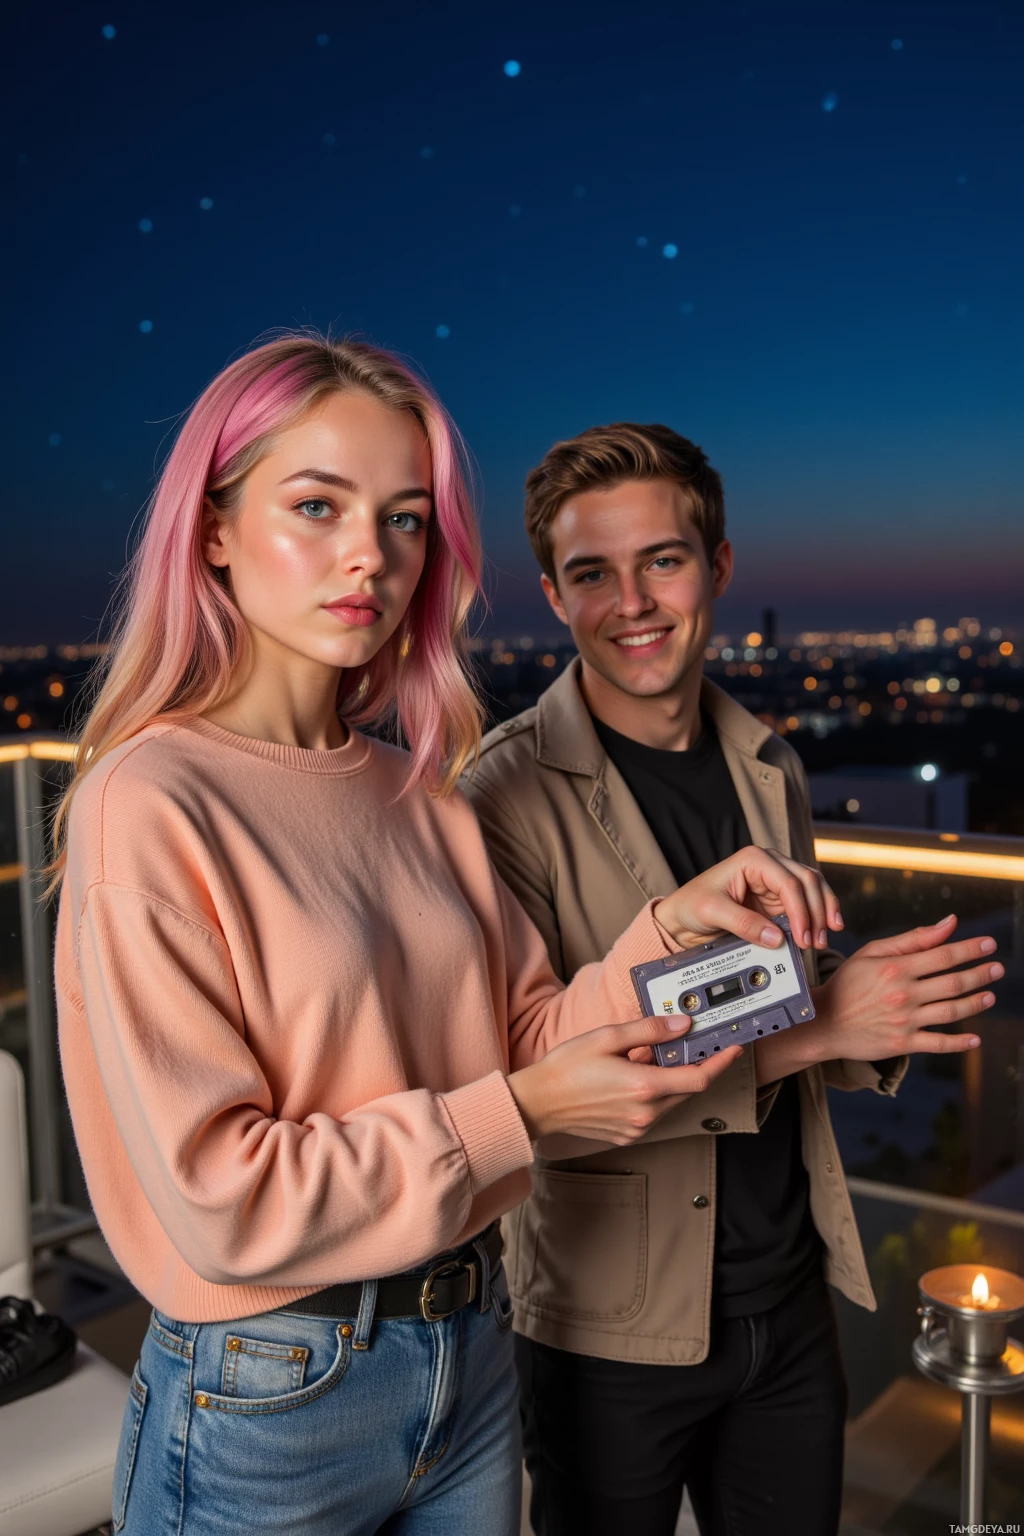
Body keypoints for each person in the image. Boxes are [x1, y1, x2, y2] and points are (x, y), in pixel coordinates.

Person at [51, 343, 841, 1536]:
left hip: (467, 1352)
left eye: (405, 520)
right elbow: (225, 1199)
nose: (371, 555)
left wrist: (662, 930)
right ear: (212, 530)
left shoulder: (417, 788)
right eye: (315, 506)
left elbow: (525, 1030)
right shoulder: (150, 801)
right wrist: (515, 1115)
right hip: (273, 1386)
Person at [464, 422, 1002, 1536]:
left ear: (717, 568)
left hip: (790, 1299)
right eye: (590, 574)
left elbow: (776, 992)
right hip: (608, 1327)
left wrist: (875, 1006)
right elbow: (536, 1087)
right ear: (555, 600)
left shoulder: (770, 763)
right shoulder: (499, 797)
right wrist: (818, 1030)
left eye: (661, 559)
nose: (633, 601)